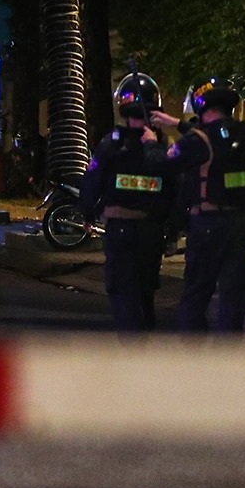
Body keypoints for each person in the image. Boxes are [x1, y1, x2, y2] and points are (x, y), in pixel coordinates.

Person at [152, 79, 245, 335]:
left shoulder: (199, 140)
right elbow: (214, 139)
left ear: (202, 107)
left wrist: (151, 142)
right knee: (234, 298)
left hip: (209, 226)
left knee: (196, 294)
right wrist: (177, 124)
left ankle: (195, 353)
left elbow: (164, 163)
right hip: (243, 227)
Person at [81, 72, 179, 333]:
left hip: (121, 229)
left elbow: (92, 178)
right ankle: (144, 332)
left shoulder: (111, 144)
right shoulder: (162, 148)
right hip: (151, 231)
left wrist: (87, 212)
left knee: (122, 289)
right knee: (146, 289)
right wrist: (173, 231)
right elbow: (176, 190)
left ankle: (133, 342)